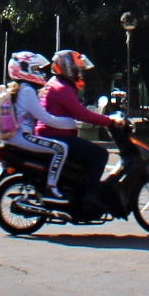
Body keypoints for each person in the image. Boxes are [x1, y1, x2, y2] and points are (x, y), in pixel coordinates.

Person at [40, 50, 117, 211]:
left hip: (53, 134)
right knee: (100, 154)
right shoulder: (62, 88)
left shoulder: (55, 84)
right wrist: (109, 121)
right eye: (78, 69)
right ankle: (90, 197)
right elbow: (81, 114)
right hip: (57, 137)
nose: (80, 73)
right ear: (69, 68)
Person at [0, 51, 67, 194]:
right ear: (25, 69)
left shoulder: (16, 88)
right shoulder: (27, 91)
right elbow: (45, 118)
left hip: (13, 137)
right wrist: (69, 123)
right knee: (61, 149)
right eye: (36, 69)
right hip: (22, 136)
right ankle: (52, 186)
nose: (39, 73)